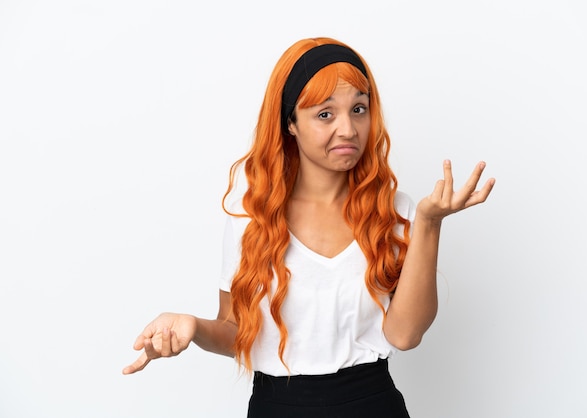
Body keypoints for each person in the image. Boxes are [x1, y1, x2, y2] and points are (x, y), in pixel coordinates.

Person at [122, 37, 495, 417]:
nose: (348, 129)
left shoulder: (394, 211)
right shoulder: (250, 217)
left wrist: (429, 224)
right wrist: (193, 326)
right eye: (325, 114)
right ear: (290, 123)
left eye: (359, 109)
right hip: (277, 407)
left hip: (372, 404)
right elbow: (237, 332)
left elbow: (405, 334)